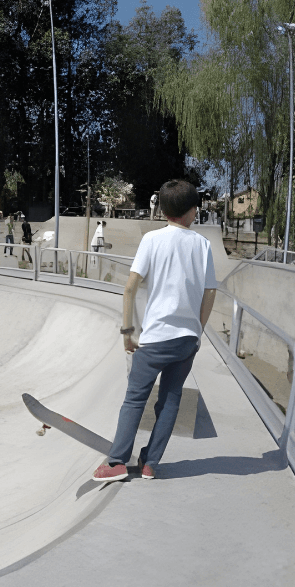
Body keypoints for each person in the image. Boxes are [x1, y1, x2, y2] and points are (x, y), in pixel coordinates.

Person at [95, 180, 217, 482]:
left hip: (155, 339)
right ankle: (150, 463)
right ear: (193, 212)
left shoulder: (152, 239)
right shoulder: (203, 245)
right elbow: (210, 292)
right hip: (187, 339)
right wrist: (198, 330)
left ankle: (117, 463)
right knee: (171, 398)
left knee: (135, 398)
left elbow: (129, 288)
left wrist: (127, 331)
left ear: (161, 210)